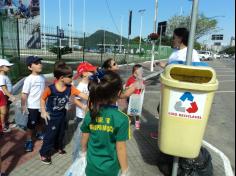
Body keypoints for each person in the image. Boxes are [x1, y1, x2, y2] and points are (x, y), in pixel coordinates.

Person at [80, 70, 130, 176]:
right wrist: (125, 170)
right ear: (118, 93)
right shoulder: (122, 119)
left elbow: (85, 136)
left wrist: (83, 152)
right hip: (110, 170)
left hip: (91, 167)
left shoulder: (90, 114)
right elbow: (121, 147)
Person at [39, 61, 88, 165]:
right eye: (70, 76)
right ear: (61, 78)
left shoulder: (70, 88)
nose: (72, 78)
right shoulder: (50, 89)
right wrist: (43, 111)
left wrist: (98, 98)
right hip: (51, 117)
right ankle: (44, 153)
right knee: (50, 135)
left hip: (62, 115)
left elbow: (83, 95)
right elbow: (42, 99)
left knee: (61, 133)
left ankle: (58, 147)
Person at [72, 62, 97, 162]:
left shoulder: (92, 84)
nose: (93, 72)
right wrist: (83, 106)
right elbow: (75, 99)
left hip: (89, 115)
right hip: (81, 117)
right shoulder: (80, 86)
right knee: (79, 138)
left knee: (87, 138)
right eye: (91, 71)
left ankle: (84, 156)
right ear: (85, 73)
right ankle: (75, 160)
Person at [21, 56, 45, 152]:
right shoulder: (29, 79)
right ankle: (29, 140)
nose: (39, 64)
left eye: (40, 62)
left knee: (40, 121)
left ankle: (39, 133)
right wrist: (23, 106)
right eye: (36, 63)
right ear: (30, 67)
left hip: (41, 105)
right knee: (31, 125)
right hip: (32, 107)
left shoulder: (42, 77)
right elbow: (24, 94)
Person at [125, 64, 145, 130]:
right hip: (130, 98)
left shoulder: (141, 80)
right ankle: (129, 121)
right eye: (135, 73)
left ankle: (137, 122)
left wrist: (142, 89)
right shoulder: (130, 79)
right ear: (133, 73)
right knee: (130, 111)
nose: (137, 75)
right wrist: (129, 86)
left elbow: (142, 88)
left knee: (137, 112)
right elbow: (126, 87)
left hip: (138, 98)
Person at [0, 59, 16, 133]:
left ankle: (6, 123)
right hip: (3, 96)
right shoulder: (1, 77)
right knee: (4, 112)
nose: (9, 68)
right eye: (7, 66)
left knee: (7, 110)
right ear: (1, 67)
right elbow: (4, 89)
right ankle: (3, 126)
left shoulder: (5, 75)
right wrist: (11, 96)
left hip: (6, 96)